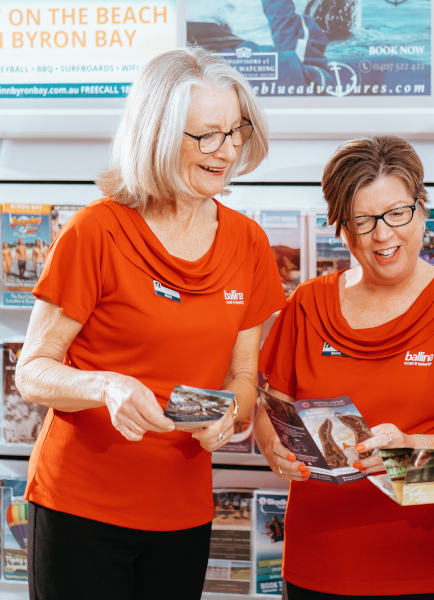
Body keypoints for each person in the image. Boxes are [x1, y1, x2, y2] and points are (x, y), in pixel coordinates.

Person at [15, 47, 286, 600]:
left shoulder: (248, 243)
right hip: (80, 506)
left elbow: (242, 378)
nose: (227, 150)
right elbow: (33, 372)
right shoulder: (96, 231)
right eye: (206, 135)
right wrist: (105, 385)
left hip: (182, 512)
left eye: (236, 131)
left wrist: (231, 413)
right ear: (158, 135)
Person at [254, 135, 434, 598]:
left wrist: (409, 446)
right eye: (364, 220)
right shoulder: (308, 303)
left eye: (398, 213)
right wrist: (275, 445)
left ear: (422, 210)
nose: (383, 234)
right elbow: (270, 410)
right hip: (319, 565)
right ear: (341, 229)